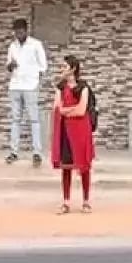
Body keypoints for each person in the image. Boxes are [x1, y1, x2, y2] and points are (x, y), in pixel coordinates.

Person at [51, 55, 95, 214]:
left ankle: (86, 200)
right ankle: (66, 201)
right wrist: (70, 110)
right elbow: (57, 108)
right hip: (66, 130)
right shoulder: (60, 87)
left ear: (73, 69)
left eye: (64, 66)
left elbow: (82, 110)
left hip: (81, 130)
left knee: (84, 166)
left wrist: (66, 111)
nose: (61, 69)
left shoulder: (83, 87)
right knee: (66, 167)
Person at [5, 19, 47, 167]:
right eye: (16, 32)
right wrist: (11, 65)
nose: (18, 34)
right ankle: (14, 151)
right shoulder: (12, 46)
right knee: (16, 120)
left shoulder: (35, 45)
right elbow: (8, 66)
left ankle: (37, 152)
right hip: (15, 85)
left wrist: (36, 84)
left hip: (30, 86)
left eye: (21, 32)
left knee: (34, 119)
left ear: (26, 30)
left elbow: (43, 67)